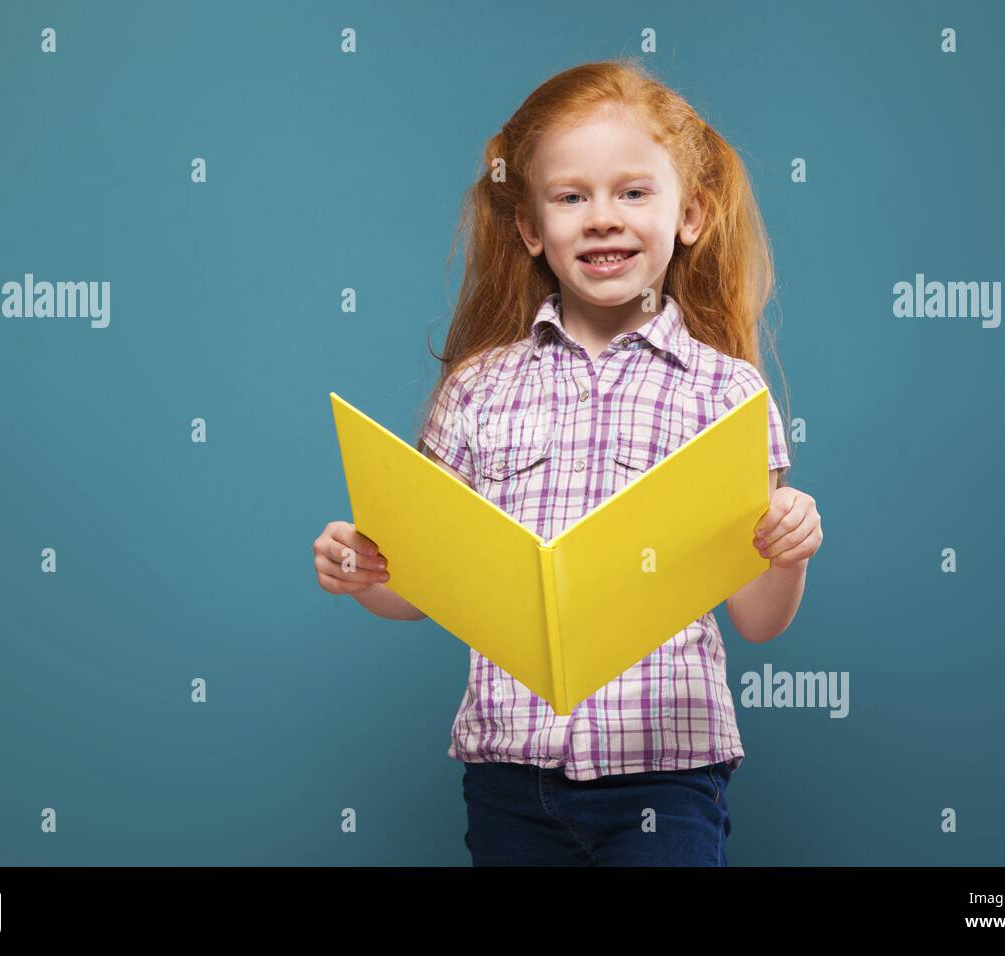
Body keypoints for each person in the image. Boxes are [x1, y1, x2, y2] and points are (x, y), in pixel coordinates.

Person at [313, 57, 822, 866]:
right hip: (509, 772)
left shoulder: (727, 394)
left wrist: (788, 549)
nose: (602, 218)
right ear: (529, 228)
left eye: (632, 192)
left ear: (689, 213)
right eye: (571, 196)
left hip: (668, 770)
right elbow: (421, 591)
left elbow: (758, 619)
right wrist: (366, 569)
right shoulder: (478, 389)